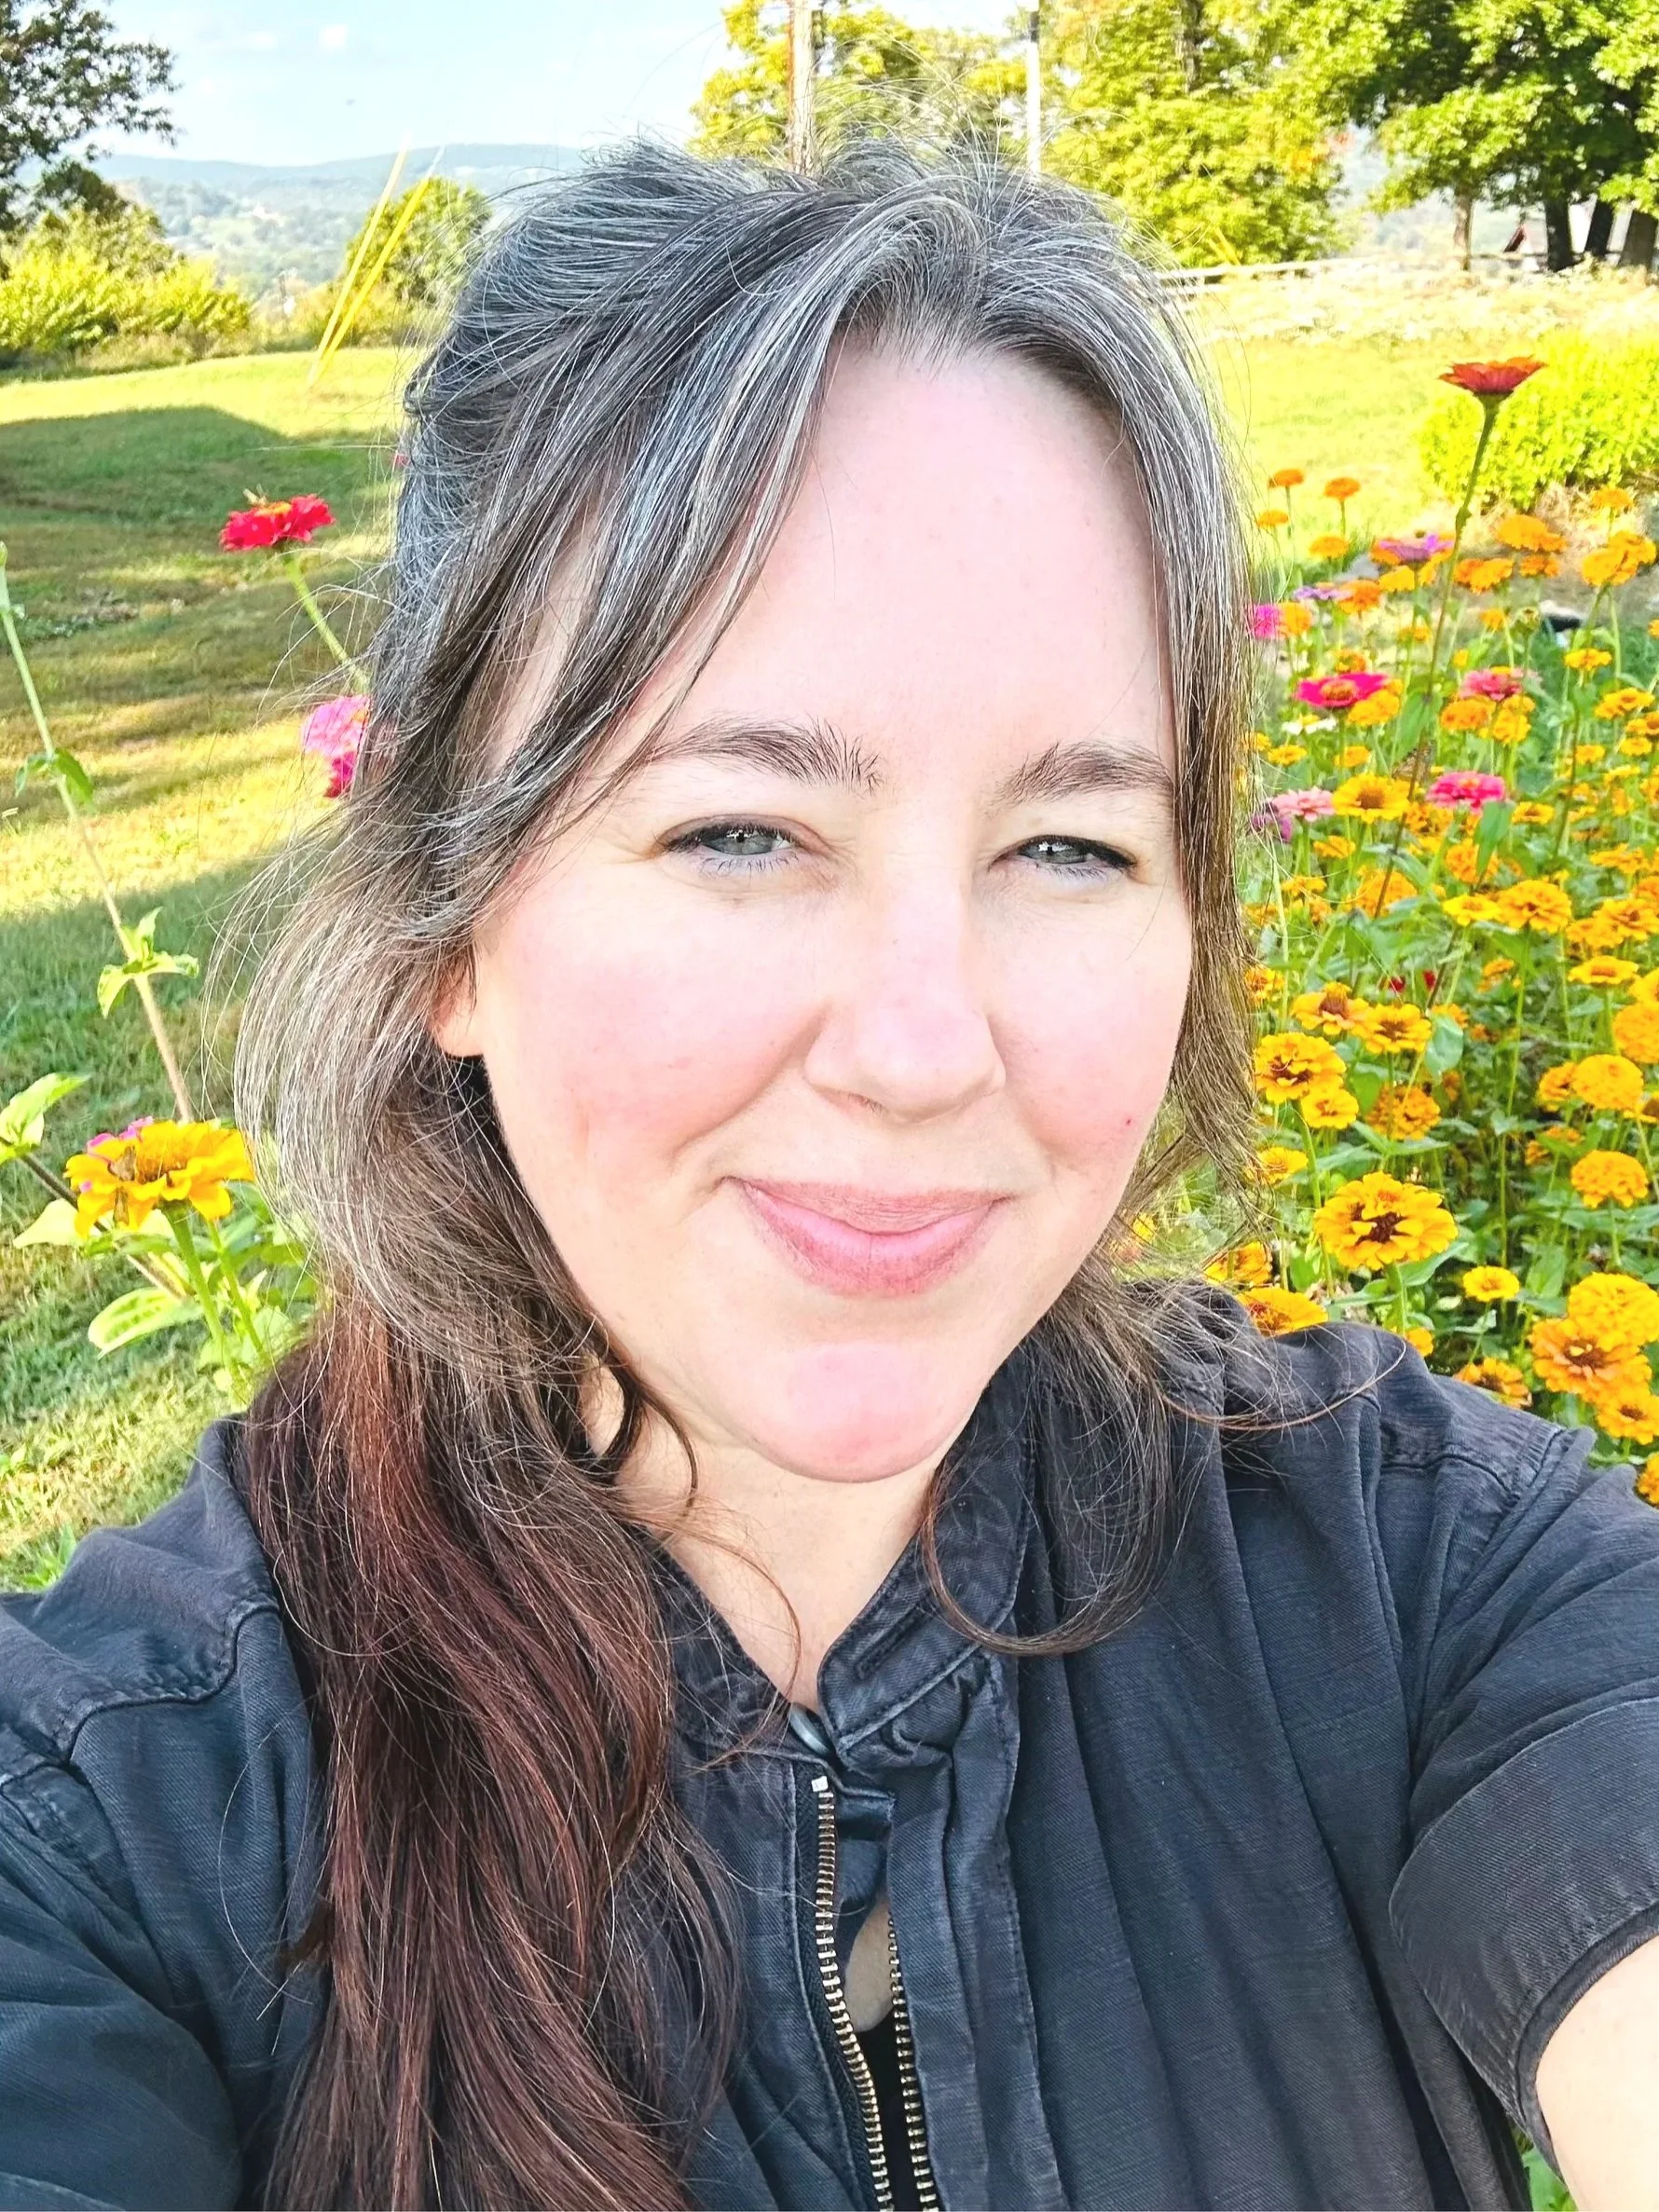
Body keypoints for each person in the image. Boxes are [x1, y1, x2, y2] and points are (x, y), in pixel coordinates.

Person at [2, 143, 1658, 2212]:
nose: (921, 1046)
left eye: (1067, 846)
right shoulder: (99, 1811)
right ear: (445, 928)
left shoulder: (1425, 1578)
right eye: (738, 831)